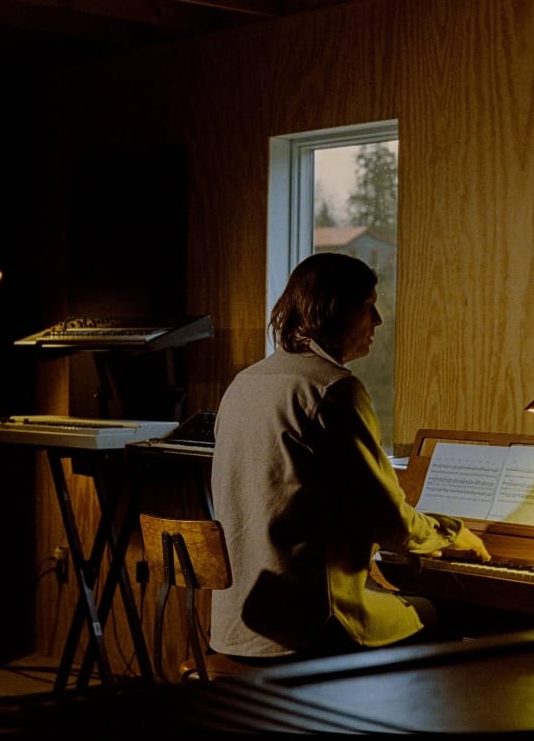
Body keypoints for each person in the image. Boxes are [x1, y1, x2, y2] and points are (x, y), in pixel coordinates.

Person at [209, 252, 491, 665]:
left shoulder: (244, 382)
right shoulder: (334, 390)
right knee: (446, 615)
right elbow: (387, 520)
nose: (376, 320)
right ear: (335, 310)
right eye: (368, 306)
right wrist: (450, 534)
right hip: (307, 625)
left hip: (240, 623)